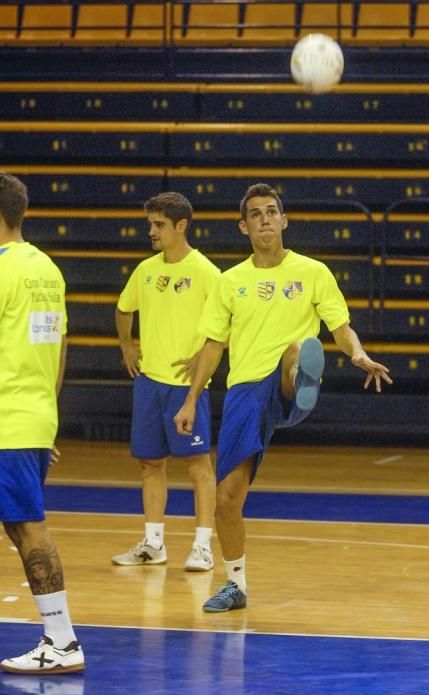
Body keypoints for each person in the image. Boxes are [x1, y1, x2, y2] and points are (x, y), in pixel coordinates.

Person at [174, 183, 393, 612]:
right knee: (226, 500)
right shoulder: (230, 281)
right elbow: (213, 345)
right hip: (244, 394)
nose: (265, 219)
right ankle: (235, 584)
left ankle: (297, 382)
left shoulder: (313, 273)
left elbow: (340, 328)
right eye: (255, 214)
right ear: (244, 226)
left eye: (272, 211)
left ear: (284, 220)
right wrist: (189, 399)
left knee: (298, 349)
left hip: (281, 380)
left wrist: (359, 354)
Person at [0, 172, 84, 673]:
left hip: (7, 420)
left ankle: (62, 640)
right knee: (19, 525)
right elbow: (59, 346)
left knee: (29, 528)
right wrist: (43, 422)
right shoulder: (46, 268)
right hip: (30, 417)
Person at [112, 192, 220, 572]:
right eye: (150, 225)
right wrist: (127, 346)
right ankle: (154, 543)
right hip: (149, 383)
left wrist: (202, 357)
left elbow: (227, 327)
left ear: (181, 226)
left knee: (198, 465)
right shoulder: (145, 271)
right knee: (149, 464)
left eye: (159, 225)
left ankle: (203, 546)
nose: (152, 232)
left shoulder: (206, 272)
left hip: (186, 387)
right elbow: (123, 309)